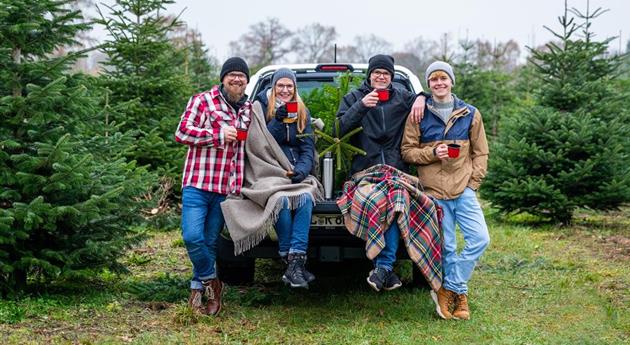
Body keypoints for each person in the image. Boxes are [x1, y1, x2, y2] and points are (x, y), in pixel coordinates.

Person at [401, 61, 490, 320]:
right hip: (434, 192)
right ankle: (459, 296)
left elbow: (481, 152)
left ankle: (449, 288)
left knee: (480, 239)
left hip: (463, 190)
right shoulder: (418, 115)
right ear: (429, 85)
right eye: (434, 80)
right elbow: (407, 152)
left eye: (444, 79)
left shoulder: (470, 114)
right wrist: (432, 152)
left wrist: (473, 184)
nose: (439, 83)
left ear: (452, 81)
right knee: (448, 247)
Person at [336, 54, 428, 291]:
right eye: (377, 72)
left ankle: (383, 268)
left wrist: (420, 98)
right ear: (369, 75)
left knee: (397, 197)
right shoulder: (355, 97)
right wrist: (361, 106)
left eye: (386, 73)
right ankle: (386, 268)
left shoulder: (401, 97)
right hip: (365, 171)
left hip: (396, 171)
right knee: (384, 200)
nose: (381, 76)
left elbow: (427, 98)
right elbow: (340, 129)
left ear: (392, 77)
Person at [174, 57, 252, 316]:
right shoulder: (202, 101)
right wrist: (217, 136)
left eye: (242, 76)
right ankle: (213, 283)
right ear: (223, 77)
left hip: (225, 189)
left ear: (247, 81)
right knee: (192, 237)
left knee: (208, 242)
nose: (237, 79)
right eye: (232, 74)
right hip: (198, 183)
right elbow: (182, 132)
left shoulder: (248, 108)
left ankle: (198, 290)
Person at [253, 68, 316, 288]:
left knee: (305, 199)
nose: (285, 90)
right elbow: (261, 143)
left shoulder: (302, 110)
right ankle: (291, 261)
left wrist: (302, 169)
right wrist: (278, 121)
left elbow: (308, 147)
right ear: (273, 87)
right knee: (279, 200)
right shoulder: (260, 107)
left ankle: (295, 260)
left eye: (290, 86)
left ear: (295, 88)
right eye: (281, 85)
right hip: (269, 170)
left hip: (294, 170)